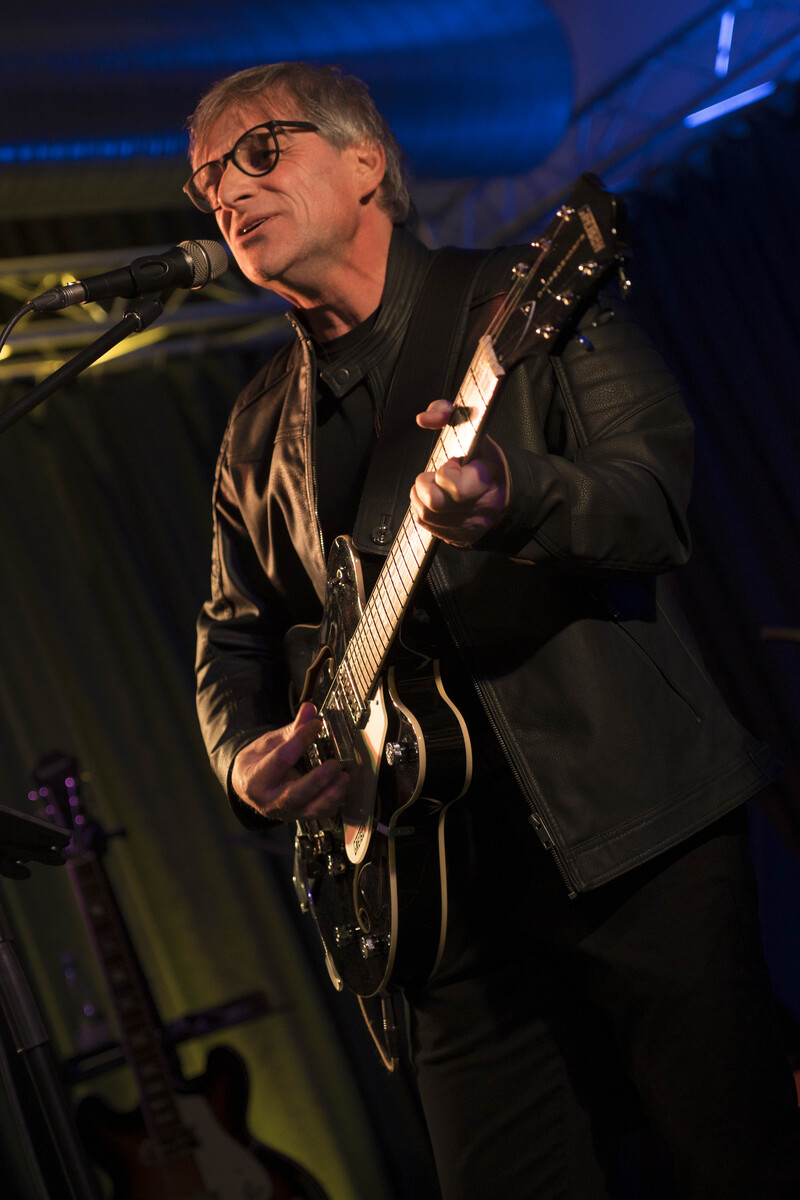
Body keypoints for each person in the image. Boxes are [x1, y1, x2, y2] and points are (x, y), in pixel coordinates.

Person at [187, 62, 800, 1199]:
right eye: (206, 179)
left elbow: (654, 499)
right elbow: (229, 638)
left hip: (631, 834)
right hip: (432, 910)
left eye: (259, 151)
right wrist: (241, 762)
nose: (227, 190)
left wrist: (517, 497)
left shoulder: (523, 296)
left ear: (365, 161)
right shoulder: (254, 434)